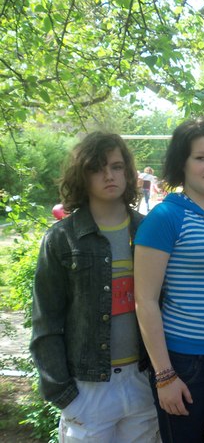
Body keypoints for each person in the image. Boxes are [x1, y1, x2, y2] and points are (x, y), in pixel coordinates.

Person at [30, 132, 159, 442]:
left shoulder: (148, 230)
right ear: (81, 175)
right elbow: (46, 321)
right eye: (97, 168)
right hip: (88, 387)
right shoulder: (62, 238)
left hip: (141, 379)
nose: (109, 175)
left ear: (128, 172)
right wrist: (64, 394)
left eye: (116, 166)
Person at [134, 117, 204, 442]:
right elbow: (145, 300)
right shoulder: (165, 217)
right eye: (201, 157)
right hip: (184, 362)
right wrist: (165, 375)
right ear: (181, 162)